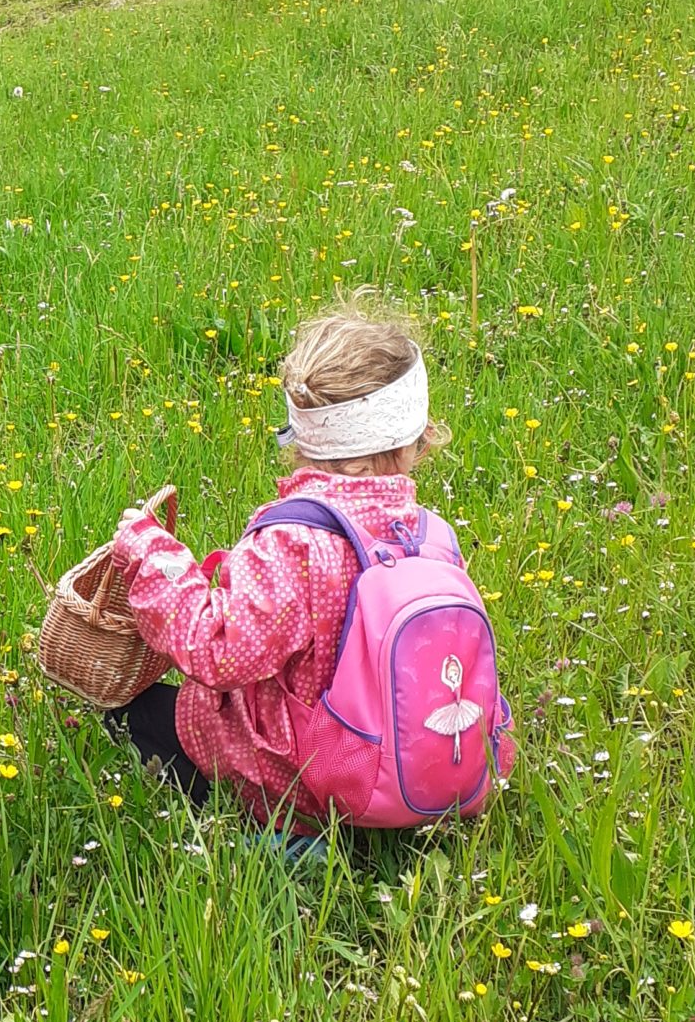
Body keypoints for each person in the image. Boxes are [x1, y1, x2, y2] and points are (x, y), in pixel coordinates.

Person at [103, 302, 513, 837]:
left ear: (302, 436)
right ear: (416, 440)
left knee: (136, 712)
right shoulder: (431, 533)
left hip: (302, 780)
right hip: (409, 755)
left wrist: (154, 558)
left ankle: (284, 843)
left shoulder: (292, 543)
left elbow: (221, 651)